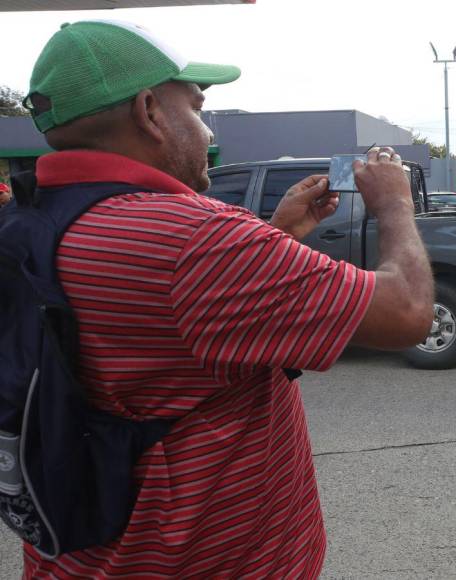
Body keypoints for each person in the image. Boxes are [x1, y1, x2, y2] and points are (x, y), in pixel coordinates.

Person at [18, 20, 433, 578]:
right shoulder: (197, 238)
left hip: (78, 557)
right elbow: (407, 312)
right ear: (149, 111)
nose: (208, 132)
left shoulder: (25, 222)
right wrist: (393, 204)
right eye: (196, 107)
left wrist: (278, 236)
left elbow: (167, 336)